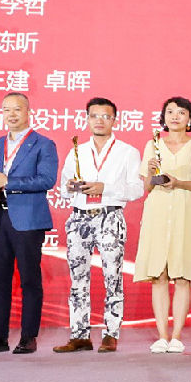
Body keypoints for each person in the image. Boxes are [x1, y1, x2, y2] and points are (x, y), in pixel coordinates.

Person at [0, 91, 59, 355]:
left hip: (28, 220)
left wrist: (9, 183)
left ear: (29, 112)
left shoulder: (43, 144)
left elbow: (46, 180)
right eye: (6, 110)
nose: (11, 114)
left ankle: (28, 337)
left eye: (17, 109)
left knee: (29, 279)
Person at [52, 97, 143, 353]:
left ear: (115, 120)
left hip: (109, 217)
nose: (100, 121)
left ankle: (110, 334)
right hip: (79, 217)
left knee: (112, 276)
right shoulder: (77, 151)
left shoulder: (127, 152)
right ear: (87, 119)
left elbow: (137, 189)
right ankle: (79, 335)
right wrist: (71, 187)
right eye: (94, 116)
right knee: (77, 278)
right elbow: (63, 189)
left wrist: (106, 188)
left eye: (106, 116)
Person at [134, 96, 191, 353]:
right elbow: (147, 186)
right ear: (163, 117)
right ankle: (162, 336)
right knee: (159, 275)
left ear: (190, 118)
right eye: (170, 112)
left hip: (185, 209)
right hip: (157, 210)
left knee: (182, 275)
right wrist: (151, 171)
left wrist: (179, 183)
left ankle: (177, 336)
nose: (175, 116)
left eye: (181, 112)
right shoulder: (153, 145)